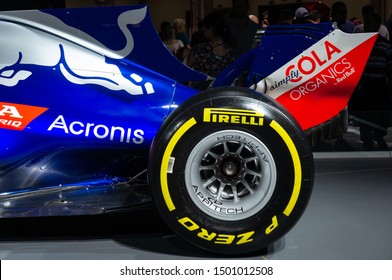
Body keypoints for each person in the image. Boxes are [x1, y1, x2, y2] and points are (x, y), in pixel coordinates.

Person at [349, 12, 392, 150]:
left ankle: (379, 134)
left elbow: (389, 66)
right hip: (364, 84)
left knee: (384, 113)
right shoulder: (360, 44)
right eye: (367, 23)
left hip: (380, 84)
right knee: (364, 113)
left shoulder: (384, 44)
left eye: (371, 23)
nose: (368, 26)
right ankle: (367, 139)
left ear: (378, 25)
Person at [186, 12, 236, 88]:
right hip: (223, 94)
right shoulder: (231, 50)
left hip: (201, 95)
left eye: (204, 30)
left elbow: (186, 69)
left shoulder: (200, 49)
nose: (203, 33)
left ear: (210, 30)